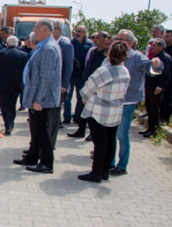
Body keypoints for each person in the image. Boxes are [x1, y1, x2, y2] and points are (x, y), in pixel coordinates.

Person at [109, 29, 162, 176]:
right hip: (113, 100)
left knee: (122, 134)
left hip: (128, 101)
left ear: (131, 43)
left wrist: (157, 64)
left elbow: (152, 69)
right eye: (116, 38)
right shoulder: (113, 56)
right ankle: (110, 163)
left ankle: (121, 166)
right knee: (112, 133)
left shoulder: (137, 57)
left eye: (122, 39)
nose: (117, 41)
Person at [77, 41, 131, 183]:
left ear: (109, 52)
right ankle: (105, 171)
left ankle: (96, 172)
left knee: (100, 143)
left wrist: (84, 97)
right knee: (110, 141)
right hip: (115, 111)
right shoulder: (124, 71)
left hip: (99, 111)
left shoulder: (105, 70)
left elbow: (88, 88)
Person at [13, 18, 62, 174]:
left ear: (46, 31)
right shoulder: (43, 46)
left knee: (42, 130)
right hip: (36, 96)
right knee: (35, 128)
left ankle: (47, 162)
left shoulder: (49, 48)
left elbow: (46, 77)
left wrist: (38, 99)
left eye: (37, 28)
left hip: (42, 99)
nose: (34, 31)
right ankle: (32, 156)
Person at [68, 31, 109, 139]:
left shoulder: (105, 55)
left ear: (104, 40)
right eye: (94, 38)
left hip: (97, 87)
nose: (94, 40)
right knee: (83, 109)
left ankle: (92, 133)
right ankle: (81, 130)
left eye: (97, 38)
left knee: (93, 112)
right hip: (87, 83)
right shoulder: (93, 51)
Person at [0, 35, 28, 135]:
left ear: (7, 44)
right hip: (16, 84)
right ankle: (11, 123)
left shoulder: (2, 53)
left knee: (4, 105)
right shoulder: (23, 55)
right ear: (17, 44)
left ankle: (9, 124)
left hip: (3, 84)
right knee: (12, 105)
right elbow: (26, 71)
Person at [139, 38, 171, 137]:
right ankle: (149, 128)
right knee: (149, 109)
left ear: (161, 47)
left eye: (154, 45)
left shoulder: (165, 58)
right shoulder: (154, 57)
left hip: (156, 87)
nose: (152, 47)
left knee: (155, 109)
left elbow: (167, 74)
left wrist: (160, 86)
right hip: (149, 86)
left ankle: (155, 131)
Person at [50, 19, 74, 148]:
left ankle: (51, 144)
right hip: (49, 86)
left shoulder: (66, 45)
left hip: (59, 87)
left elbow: (68, 66)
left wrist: (64, 84)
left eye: (52, 28)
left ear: (59, 30)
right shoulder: (50, 43)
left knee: (54, 118)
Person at [63, 25, 93, 124]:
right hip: (70, 75)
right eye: (76, 30)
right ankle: (67, 117)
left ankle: (77, 116)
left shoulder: (89, 44)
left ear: (85, 33)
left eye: (80, 31)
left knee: (80, 98)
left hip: (82, 76)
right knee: (67, 97)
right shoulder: (70, 42)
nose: (77, 32)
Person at [162, 30, 172, 124]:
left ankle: (166, 119)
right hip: (163, 77)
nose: (165, 38)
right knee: (162, 98)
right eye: (164, 36)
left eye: (167, 37)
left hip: (170, 78)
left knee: (168, 99)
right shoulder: (165, 49)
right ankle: (161, 117)